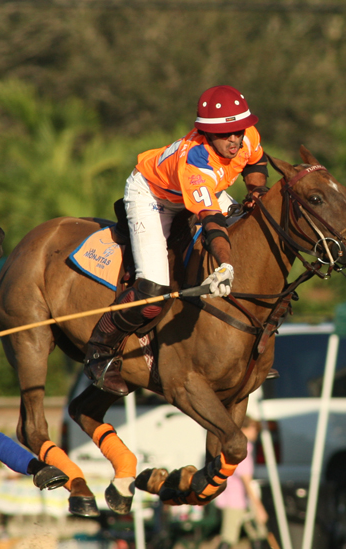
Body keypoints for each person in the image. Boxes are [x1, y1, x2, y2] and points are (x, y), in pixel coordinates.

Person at [84, 85, 269, 396]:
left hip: (205, 192)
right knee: (153, 287)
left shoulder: (245, 136)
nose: (235, 139)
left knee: (251, 233)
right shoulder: (195, 161)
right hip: (154, 197)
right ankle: (100, 351)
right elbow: (211, 222)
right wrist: (225, 264)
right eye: (226, 134)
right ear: (208, 134)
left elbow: (257, 164)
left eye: (237, 131)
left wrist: (256, 193)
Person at [214, 416, 269, 549]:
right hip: (235, 498)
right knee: (229, 534)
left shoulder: (232, 447)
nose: (256, 433)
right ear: (244, 429)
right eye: (254, 429)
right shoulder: (242, 450)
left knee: (255, 531)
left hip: (238, 497)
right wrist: (259, 507)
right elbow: (246, 480)